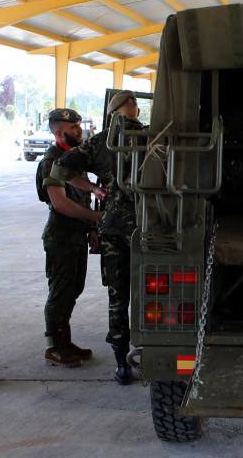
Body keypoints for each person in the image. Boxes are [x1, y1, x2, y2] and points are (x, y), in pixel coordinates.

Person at [51, 91, 144, 384]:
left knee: (118, 297)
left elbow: (61, 168)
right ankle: (151, 353)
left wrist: (93, 188)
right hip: (148, 227)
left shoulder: (101, 140)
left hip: (113, 227)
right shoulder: (154, 137)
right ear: (133, 109)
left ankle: (121, 364)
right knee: (151, 295)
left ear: (112, 111)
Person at [36, 108, 103, 367]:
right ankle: (54, 346)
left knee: (73, 289)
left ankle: (65, 341)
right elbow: (61, 204)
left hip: (76, 234)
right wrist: (97, 219)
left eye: (78, 125)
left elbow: (81, 188)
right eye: (73, 127)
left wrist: (91, 227)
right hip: (60, 235)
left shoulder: (72, 159)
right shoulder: (52, 161)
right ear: (58, 131)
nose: (79, 130)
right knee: (60, 291)